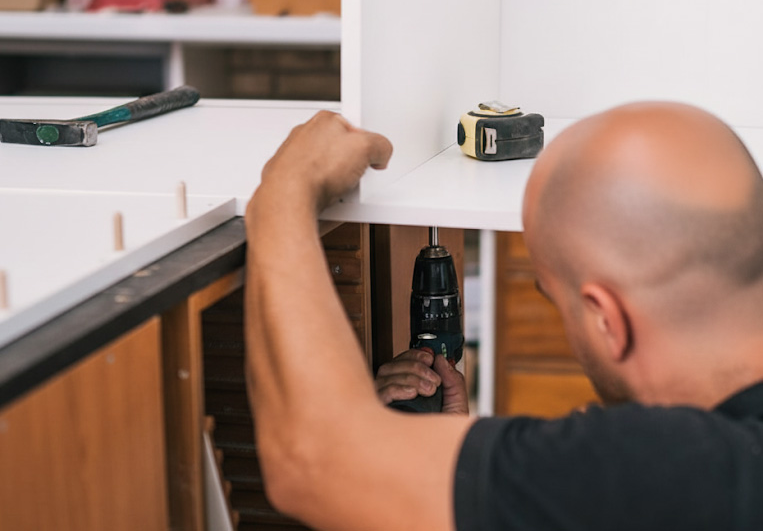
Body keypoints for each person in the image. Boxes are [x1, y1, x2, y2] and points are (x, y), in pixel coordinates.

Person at [243, 102, 763, 531]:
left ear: (606, 319)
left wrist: (283, 191)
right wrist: (461, 477)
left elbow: (313, 462)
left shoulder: (684, 468)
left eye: (553, 299)